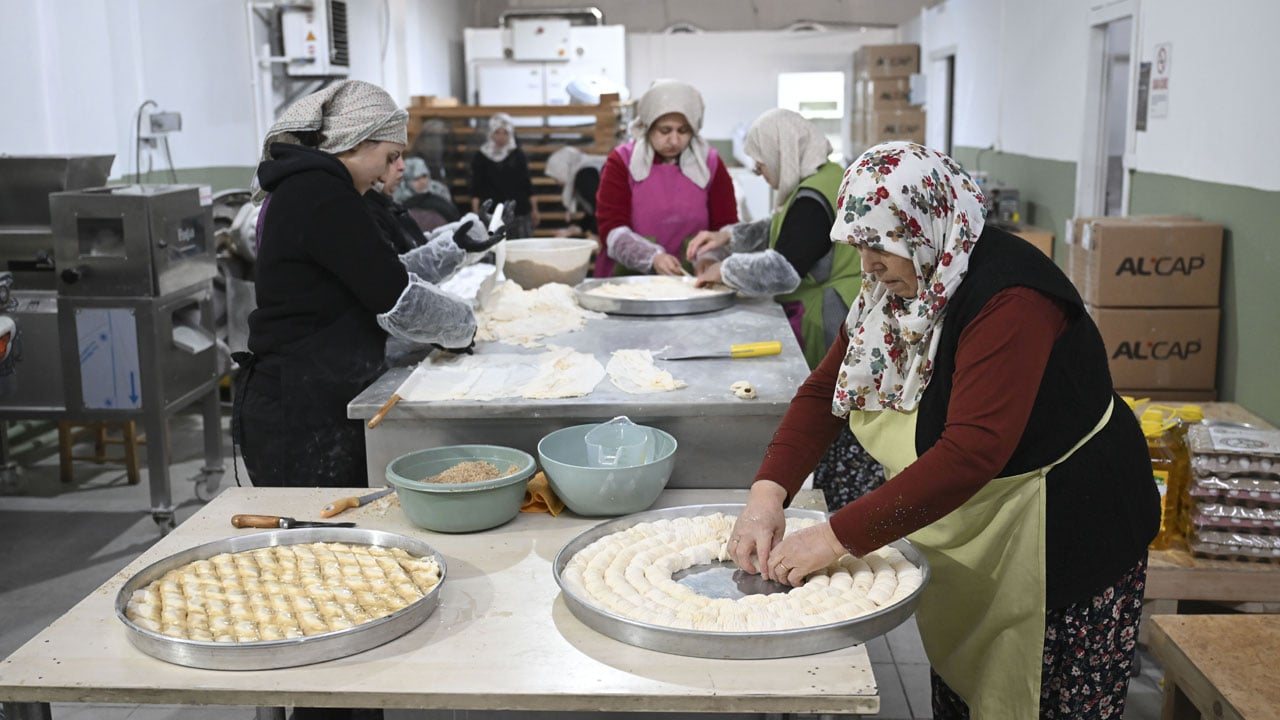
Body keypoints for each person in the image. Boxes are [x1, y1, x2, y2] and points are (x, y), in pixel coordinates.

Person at [728, 141, 1160, 719]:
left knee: (1045, 698)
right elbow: (824, 392)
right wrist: (766, 494)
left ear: (925, 223)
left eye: (881, 245)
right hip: (985, 518)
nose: (870, 264)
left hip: (1067, 528)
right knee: (966, 687)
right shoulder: (902, 284)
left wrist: (834, 538)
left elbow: (971, 452)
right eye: (859, 245)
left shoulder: (1012, 299)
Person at [233, 80, 503, 500]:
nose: (392, 169)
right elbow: (397, 298)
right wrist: (463, 326)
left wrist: (454, 248)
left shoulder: (314, 189)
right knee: (322, 544)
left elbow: (377, 274)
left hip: (309, 394)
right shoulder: (321, 195)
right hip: (302, 412)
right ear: (356, 139)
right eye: (390, 156)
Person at [685, 108, 883, 509]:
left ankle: (845, 510)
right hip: (829, 310)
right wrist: (728, 235)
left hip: (833, 316)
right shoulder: (819, 179)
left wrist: (725, 268)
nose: (760, 174)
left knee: (839, 422)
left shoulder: (815, 195)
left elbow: (783, 268)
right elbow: (778, 229)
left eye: (761, 164)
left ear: (781, 152)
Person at [594, 79, 738, 276]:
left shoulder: (709, 163)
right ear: (647, 126)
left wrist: (709, 257)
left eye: (683, 130)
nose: (674, 140)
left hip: (693, 278)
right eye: (665, 130)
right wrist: (651, 257)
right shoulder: (622, 161)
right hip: (629, 278)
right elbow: (611, 229)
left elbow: (726, 226)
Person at [471, 112, 537, 239]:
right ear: (491, 133)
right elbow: (476, 188)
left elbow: (527, 184)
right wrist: (476, 213)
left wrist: (535, 209)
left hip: (518, 212)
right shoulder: (481, 156)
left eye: (505, 133)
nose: (501, 137)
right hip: (491, 212)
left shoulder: (517, 155)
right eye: (497, 132)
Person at [544, 145, 605, 238]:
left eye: (555, 177)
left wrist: (594, 234)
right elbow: (593, 210)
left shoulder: (584, 175)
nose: (556, 181)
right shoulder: (584, 171)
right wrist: (577, 228)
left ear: (562, 169)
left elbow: (602, 208)